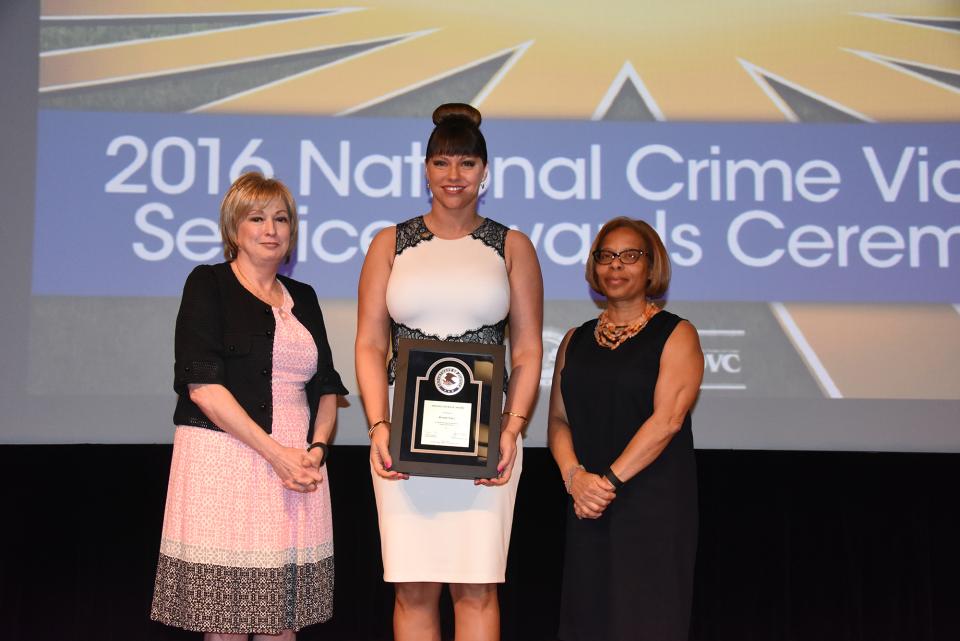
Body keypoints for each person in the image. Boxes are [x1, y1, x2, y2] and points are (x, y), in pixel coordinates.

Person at [355, 103, 543, 641]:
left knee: (477, 589)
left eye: (466, 163)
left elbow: (528, 350)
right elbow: (370, 344)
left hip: (485, 440)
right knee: (412, 589)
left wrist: (511, 429)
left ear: (485, 171)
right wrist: (379, 426)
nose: (453, 175)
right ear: (425, 170)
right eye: (441, 163)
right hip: (403, 438)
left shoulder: (512, 246)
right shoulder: (390, 242)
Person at [151, 172, 349, 640]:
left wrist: (316, 451)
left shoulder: (304, 297)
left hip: (297, 468)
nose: (271, 229)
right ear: (234, 228)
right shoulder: (209, 283)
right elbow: (202, 386)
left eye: (281, 219)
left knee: (282, 620)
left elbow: (327, 387)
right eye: (257, 218)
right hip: (225, 461)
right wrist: (276, 454)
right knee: (227, 621)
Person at [548, 217, 703, 641]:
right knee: (588, 621)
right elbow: (558, 420)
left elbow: (667, 420)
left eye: (630, 256)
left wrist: (607, 483)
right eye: (606, 256)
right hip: (587, 503)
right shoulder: (574, 339)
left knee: (645, 620)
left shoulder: (677, 334)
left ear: (651, 266)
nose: (616, 265)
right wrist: (575, 478)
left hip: (650, 506)